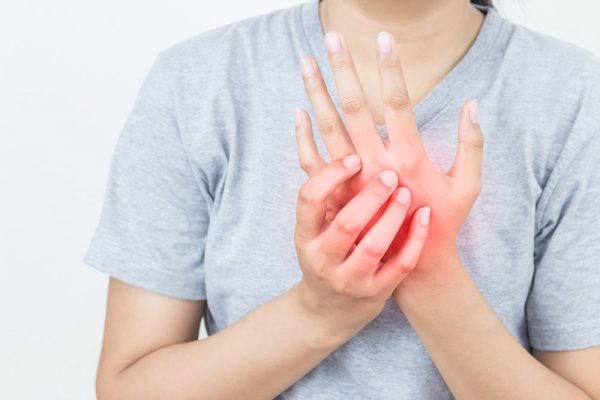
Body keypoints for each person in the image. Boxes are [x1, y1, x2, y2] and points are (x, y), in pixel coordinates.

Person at [83, 0, 600, 398]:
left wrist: (428, 272)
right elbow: (128, 388)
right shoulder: (196, 83)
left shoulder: (576, 99)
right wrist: (318, 313)